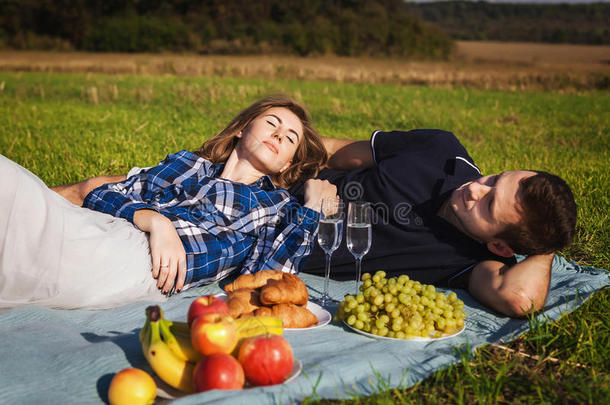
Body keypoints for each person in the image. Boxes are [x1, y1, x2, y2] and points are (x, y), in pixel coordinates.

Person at [0, 96, 336, 309]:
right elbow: (101, 195)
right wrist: (153, 220)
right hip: (102, 228)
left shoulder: (275, 206)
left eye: (290, 137)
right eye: (271, 123)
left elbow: (260, 284)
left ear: (286, 165)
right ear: (241, 129)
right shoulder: (189, 165)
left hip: (132, 262)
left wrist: (310, 212)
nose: (279, 134)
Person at [290, 129, 577, 318]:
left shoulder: (471, 260)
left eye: (488, 206)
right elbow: (332, 152)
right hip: (269, 186)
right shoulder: (440, 150)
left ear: (499, 245)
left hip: (273, 243)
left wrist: (548, 244)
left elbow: (520, 300)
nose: (476, 189)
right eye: (494, 179)